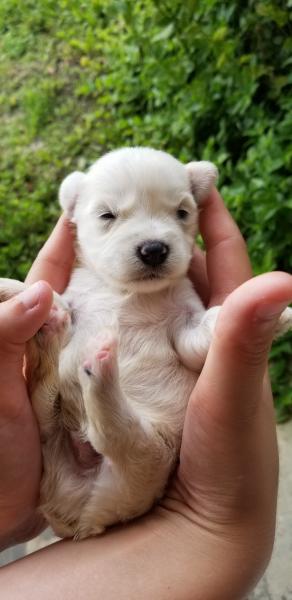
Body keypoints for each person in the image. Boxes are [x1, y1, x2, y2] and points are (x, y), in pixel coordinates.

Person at [0, 189, 291, 600]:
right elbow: (53, 307)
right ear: (76, 216)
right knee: (49, 351)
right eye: (110, 216)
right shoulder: (80, 281)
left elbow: (195, 341)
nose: (151, 237)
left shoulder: (180, 294)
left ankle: (105, 398)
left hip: (96, 474)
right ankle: (103, 394)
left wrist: (225, 325)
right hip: (70, 471)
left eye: (177, 213)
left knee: (137, 446)